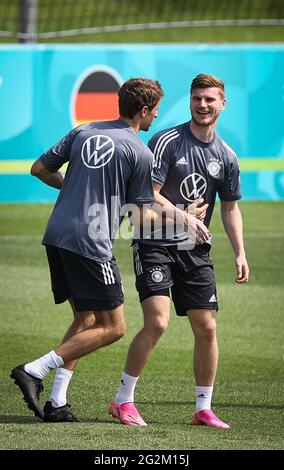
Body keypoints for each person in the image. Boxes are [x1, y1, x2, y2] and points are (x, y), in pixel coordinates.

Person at [10, 77, 172, 423]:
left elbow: (39, 169)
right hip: (90, 241)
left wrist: (73, 188)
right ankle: (34, 369)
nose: (156, 117)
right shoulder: (141, 152)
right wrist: (183, 219)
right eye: (155, 110)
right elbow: (140, 214)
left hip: (56, 234)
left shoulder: (83, 131)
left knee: (85, 319)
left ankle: (57, 403)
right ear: (143, 110)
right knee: (114, 327)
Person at [109, 73, 249, 429]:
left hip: (194, 249)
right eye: (197, 98)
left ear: (222, 103)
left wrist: (240, 253)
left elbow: (230, 208)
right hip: (154, 242)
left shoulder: (226, 156)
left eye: (210, 99)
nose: (203, 105)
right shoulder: (167, 141)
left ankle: (203, 408)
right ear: (189, 101)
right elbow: (146, 194)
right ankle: (123, 400)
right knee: (157, 322)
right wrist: (183, 217)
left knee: (207, 328)